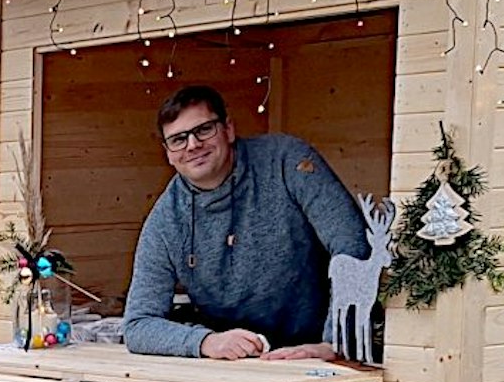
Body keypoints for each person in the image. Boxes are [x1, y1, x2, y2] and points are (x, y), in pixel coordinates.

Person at [122, 85, 370, 360]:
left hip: (315, 353)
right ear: (168, 152)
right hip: (236, 365)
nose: (192, 145)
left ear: (228, 129)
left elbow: (352, 245)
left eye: (204, 129)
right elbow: (138, 324)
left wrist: (335, 342)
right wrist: (206, 342)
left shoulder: (286, 161)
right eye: (178, 139)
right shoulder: (166, 220)